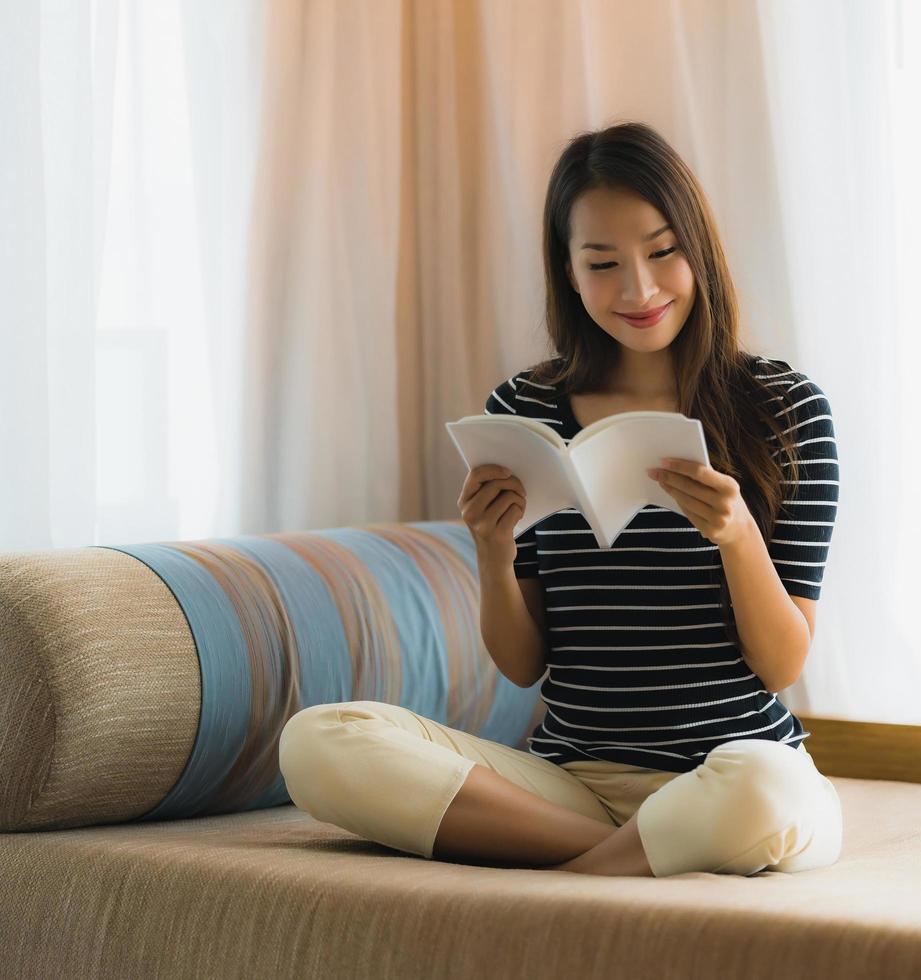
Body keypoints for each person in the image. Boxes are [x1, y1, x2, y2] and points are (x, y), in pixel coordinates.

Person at [278, 121, 842, 878]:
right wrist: (491, 549)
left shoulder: (786, 410)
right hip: (572, 785)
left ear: (698, 249)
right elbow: (522, 665)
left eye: (662, 252)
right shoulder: (524, 409)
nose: (639, 289)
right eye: (603, 263)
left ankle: (577, 866)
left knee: (767, 793)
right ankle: (626, 858)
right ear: (569, 273)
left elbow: (780, 663)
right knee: (319, 742)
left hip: (736, 767)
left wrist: (737, 535)